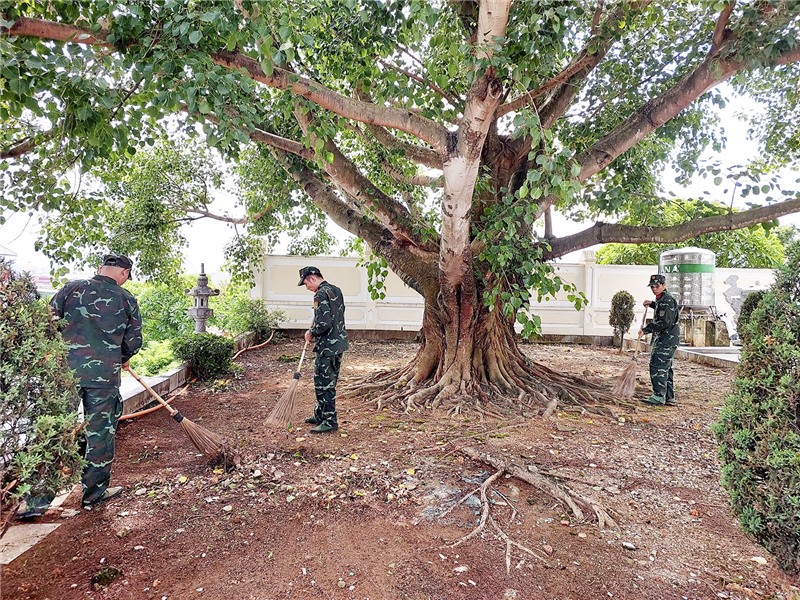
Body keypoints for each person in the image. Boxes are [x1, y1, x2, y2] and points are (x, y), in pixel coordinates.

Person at [20, 254, 142, 516]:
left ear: (100, 268)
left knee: (55, 431)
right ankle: (93, 496)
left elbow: (47, 323)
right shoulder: (126, 299)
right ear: (124, 273)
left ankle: (35, 503)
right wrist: (120, 357)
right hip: (104, 379)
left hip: (65, 375)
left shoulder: (71, 288)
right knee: (99, 435)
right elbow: (133, 341)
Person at [298, 266, 348, 433]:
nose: (307, 288)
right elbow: (337, 315)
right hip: (339, 344)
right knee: (327, 381)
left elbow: (324, 323)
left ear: (312, 278)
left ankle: (329, 420)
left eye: (306, 284)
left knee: (324, 384)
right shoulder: (336, 290)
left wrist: (311, 332)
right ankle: (320, 414)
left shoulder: (320, 294)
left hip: (327, 347)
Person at [638, 274, 680, 406]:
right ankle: (668, 396)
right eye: (652, 287)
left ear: (663, 285)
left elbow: (664, 321)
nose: (654, 289)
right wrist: (652, 304)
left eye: (657, 286)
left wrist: (646, 330)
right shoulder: (662, 299)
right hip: (666, 338)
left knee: (657, 365)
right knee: (666, 367)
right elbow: (662, 310)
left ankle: (658, 396)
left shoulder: (667, 300)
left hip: (666, 339)